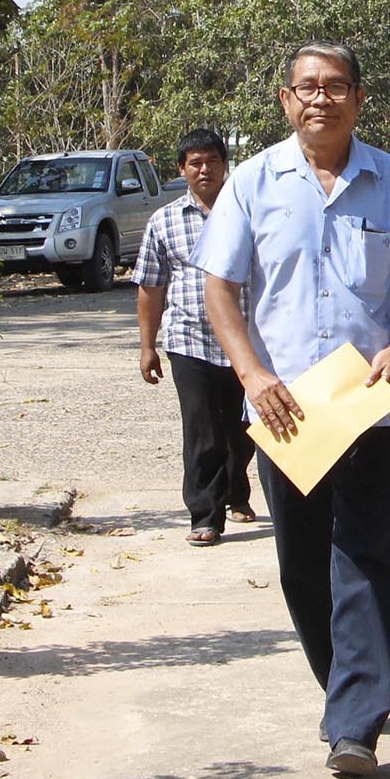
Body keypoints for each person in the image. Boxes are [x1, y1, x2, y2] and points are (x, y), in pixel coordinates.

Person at [195, 42, 390, 779]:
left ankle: (356, 721)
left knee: (372, 555)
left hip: (370, 401)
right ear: (286, 100)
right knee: (304, 562)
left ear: (358, 99)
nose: (321, 99)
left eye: (335, 86)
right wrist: (250, 374)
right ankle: (344, 685)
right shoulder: (253, 183)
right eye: (307, 87)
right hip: (284, 408)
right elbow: (222, 287)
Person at [135, 129, 253, 547]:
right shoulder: (164, 221)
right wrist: (148, 346)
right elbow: (150, 287)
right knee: (202, 430)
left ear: (225, 164)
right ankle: (205, 514)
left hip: (246, 343)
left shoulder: (250, 211)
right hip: (189, 341)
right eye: (195, 163)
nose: (205, 169)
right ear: (182, 169)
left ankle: (238, 490)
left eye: (212, 161)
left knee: (244, 430)